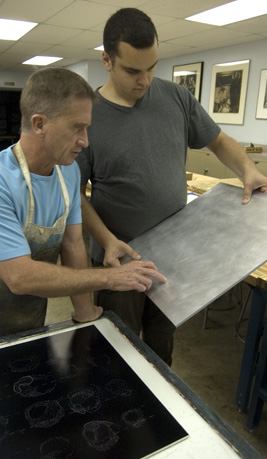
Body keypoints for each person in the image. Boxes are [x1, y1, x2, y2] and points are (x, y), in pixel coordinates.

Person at [76, 8, 267, 365]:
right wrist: (105, 241)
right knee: (118, 351)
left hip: (172, 256)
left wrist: (247, 170)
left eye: (152, 68)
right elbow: (74, 195)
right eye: (133, 70)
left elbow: (218, 140)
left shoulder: (176, 97)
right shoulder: (88, 115)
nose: (144, 80)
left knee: (161, 349)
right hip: (119, 259)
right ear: (106, 60)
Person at [0, 67, 167, 337]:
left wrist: (85, 311)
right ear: (39, 124)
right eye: (77, 127)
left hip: (27, 322)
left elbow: (73, 243)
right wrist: (110, 277)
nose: (85, 141)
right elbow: (19, 277)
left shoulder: (67, 171)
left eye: (87, 128)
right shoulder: (3, 181)